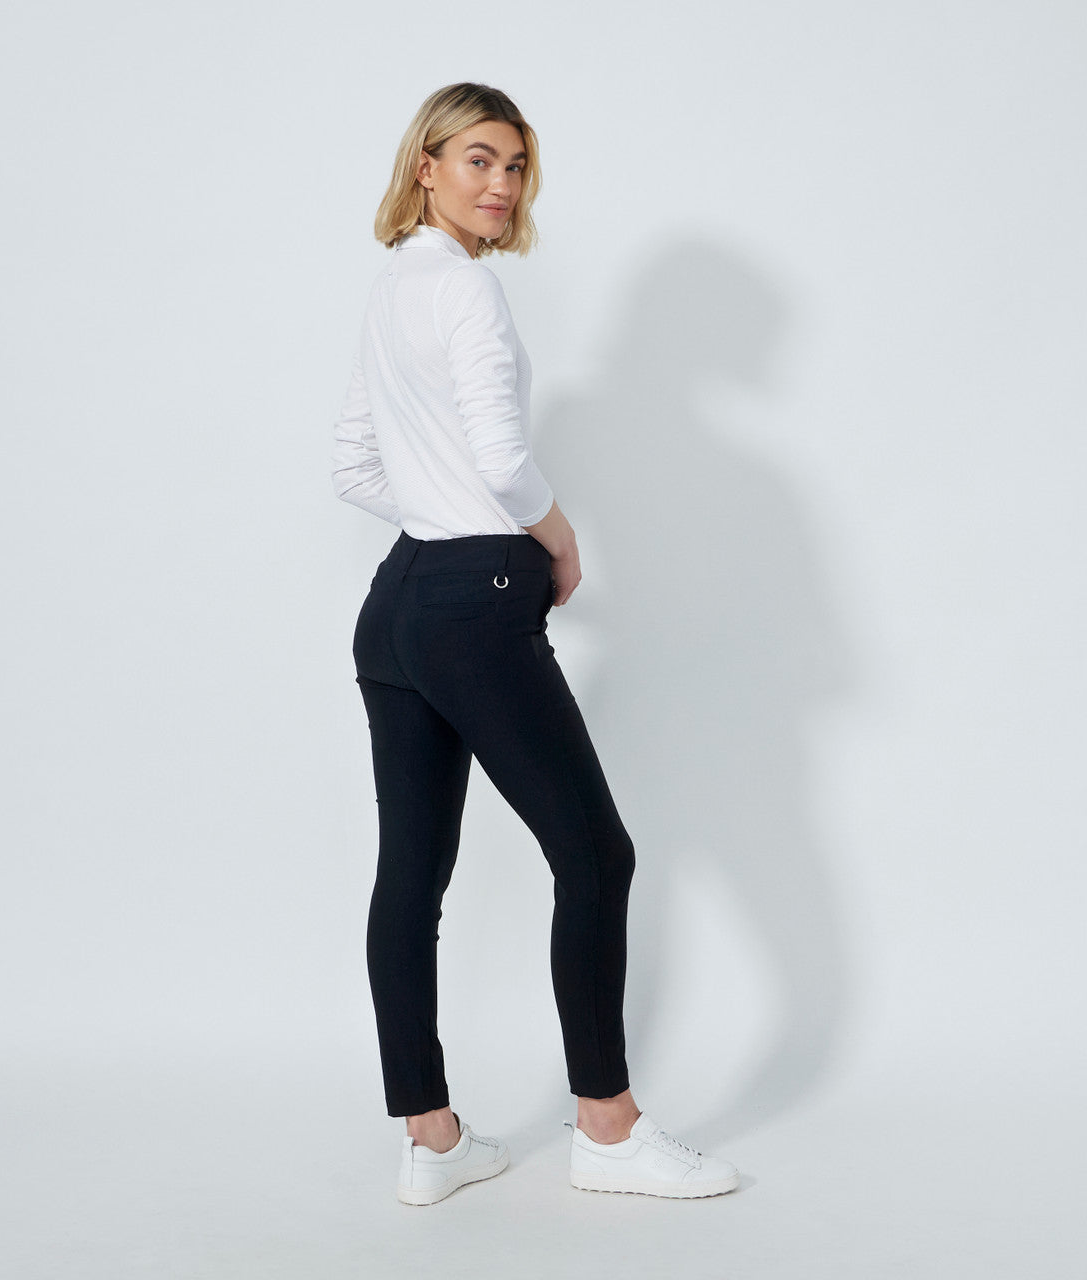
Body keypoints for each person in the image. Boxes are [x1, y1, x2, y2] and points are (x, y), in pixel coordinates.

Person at [331, 81, 741, 1206]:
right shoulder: (462, 288)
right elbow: (506, 462)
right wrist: (551, 540)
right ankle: (607, 1130)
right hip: (474, 596)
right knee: (596, 855)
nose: (501, 184)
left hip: (396, 603)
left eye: (514, 165)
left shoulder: (391, 287)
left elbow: (353, 465)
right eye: (478, 159)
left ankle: (430, 1137)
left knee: (412, 873)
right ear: (425, 164)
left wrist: (441, 517)